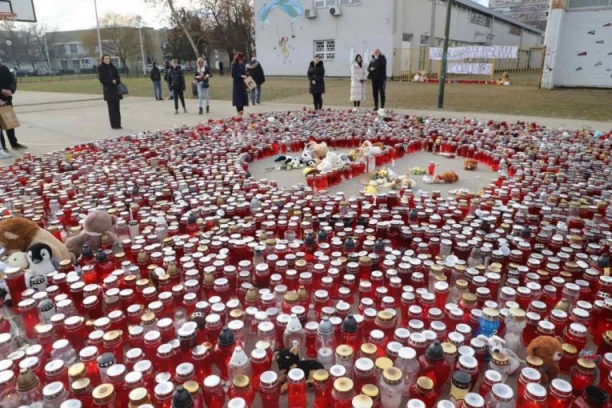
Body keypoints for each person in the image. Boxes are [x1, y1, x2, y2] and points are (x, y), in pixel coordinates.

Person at [98, 54, 122, 130]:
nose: (107, 60)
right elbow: (102, 80)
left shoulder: (113, 68)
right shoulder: (101, 68)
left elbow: (118, 78)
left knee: (117, 108)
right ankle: (114, 125)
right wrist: (111, 82)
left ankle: (118, 124)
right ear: (103, 60)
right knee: (111, 108)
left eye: (108, 59)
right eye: (106, 59)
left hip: (116, 90)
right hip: (108, 90)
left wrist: (116, 81)